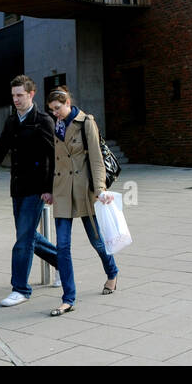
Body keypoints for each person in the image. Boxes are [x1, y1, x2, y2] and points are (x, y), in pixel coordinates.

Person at [0, 75, 57, 308]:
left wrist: (49, 189)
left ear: (31, 94)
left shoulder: (43, 121)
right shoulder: (11, 122)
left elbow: (53, 157)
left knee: (23, 240)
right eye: (13, 96)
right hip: (17, 188)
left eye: (20, 95)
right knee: (27, 235)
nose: (16, 99)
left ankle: (20, 289)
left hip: (36, 190)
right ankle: (62, 263)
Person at [42, 86, 117, 316]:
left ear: (67, 102)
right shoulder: (55, 126)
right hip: (62, 191)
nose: (55, 113)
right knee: (63, 246)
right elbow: (52, 161)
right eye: (51, 110)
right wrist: (48, 190)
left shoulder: (86, 123)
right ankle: (68, 298)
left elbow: (96, 159)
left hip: (85, 191)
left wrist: (101, 188)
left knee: (97, 242)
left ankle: (112, 272)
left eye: (57, 108)